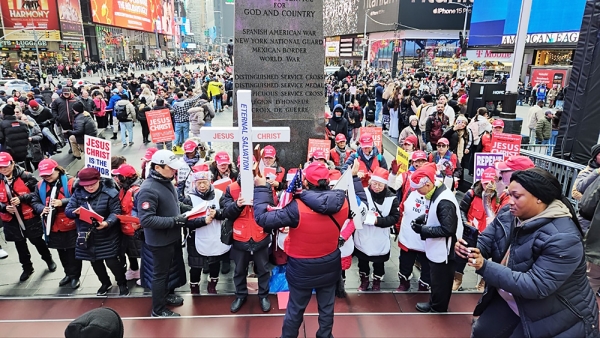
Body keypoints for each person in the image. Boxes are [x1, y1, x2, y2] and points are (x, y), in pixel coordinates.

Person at [457, 167, 599, 337]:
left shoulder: (564, 237)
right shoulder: (508, 214)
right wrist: (470, 248)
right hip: (513, 300)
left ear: (539, 198)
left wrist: (484, 265)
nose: (510, 201)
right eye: (509, 195)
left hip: (555, 314)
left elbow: (536, 286)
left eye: (516, 196)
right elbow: (487, 241)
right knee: (482, 332)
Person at [253, 161, 357, 338]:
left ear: (306, 182)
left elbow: (262, 218)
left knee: (295, 309)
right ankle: (325, 335)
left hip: (301, 268)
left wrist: (262, 188)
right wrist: (353, 176)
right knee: (326, 308)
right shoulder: (344, 203)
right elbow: (356, 207)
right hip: (330, 264)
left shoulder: (296, 208)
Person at [136, 150, 192, 317]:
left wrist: (192, 210)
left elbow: (175, 203)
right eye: (171, 168)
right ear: (158, 167)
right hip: (160, 242)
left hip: (172, 237)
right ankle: (158, 310)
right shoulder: (148, 189)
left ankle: (166, 296)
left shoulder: (166, 181)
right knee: (160, 275)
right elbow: (146, 220)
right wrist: (175, 221)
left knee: (168, 271)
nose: (174, 171)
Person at [65, 168, 129, 296]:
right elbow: (68, 209)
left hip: (107, 234)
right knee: (94, 262)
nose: (89, 187)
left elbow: (115, 212)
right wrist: (74, 212)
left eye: (92, 184)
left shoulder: (110, 193)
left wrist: (107, 223)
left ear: (99, 180)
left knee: (112, 261)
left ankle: (122, 283)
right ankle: (105, 283)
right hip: (87, 234)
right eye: (86, 185)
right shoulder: (78, 192)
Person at [409, 163, 462, 313]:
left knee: (441, 281)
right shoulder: (436, 192)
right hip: (440, 247)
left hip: (445, 251)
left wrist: (423, 230)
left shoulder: (444, 200)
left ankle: (438, 308)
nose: (417, 191)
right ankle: (435, 303)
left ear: (428, 183)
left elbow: (448, 228)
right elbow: (435, 214)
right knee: (437, 280)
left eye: (419, 188)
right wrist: (423, 219)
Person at [221, 156, 272, 313]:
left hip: (259, 235)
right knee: (239, 270)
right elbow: (226, 212)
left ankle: (263, 295)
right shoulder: (231, 189)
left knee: (263, 269)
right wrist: (237, 205)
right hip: (240, 237)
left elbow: (272, 207)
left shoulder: (265, 186)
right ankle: (240, 295)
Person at [0, 152, 56, 281]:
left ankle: (48, 259)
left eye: (5, 166)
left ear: (12, 163)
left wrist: (22, 198)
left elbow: (38, 194)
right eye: (0, 167)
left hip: (29, 216)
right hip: (11, 219)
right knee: (20, 245)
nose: (3, 169)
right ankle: (27, 268)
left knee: (37, 240)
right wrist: (4, 207)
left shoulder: (26, 176)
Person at [30, 159, 80, 289]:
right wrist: (42, 208)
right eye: (44, 175)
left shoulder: (71, 182)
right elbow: (34, 201)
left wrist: (62, 202)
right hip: (52, 226)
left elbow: (80, 199)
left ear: (57, 170)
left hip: (70, 225)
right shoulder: (40, 185)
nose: (47, 177)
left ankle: (75, 276)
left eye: (49, 174)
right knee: (61, 251)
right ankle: (67, 274)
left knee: (72, 252)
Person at [182, 163, 230, 295]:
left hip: (215, 236)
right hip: (196, 239)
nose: (202, 186)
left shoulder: (220, 195)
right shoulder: (189, 199)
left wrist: (218, 214)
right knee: (195, 267)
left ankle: (212, 286)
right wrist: (203, 221)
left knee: (215, 264)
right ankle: (194, 290)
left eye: (204, 182)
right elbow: (186, 222)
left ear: (210, 182)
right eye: (199, 183)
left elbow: (227, 211)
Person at [453, 167, 499, 292]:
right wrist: (465, 222)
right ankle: (457, 280)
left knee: (487, 259)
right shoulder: (471, 193)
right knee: (462, 256)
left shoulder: (499, 197)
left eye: (491, 183)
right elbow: (462, 209)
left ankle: (482, 284)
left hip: (489, 234)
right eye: (485, 183)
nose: (488, 186)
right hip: (471, 232)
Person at [391, 150, 432, 291]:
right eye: (417, 161)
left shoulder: (434, 178)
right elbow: (392, 186)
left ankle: (424, 284)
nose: (419, 164)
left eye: (422, 161)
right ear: (412, 162)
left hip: (427, 227)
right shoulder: (405, 176)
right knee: (405, 259)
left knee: (427, 259)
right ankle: (404, 282)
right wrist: (392, 174)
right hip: (408, 223)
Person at [354, 167, 400, 291]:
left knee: (379, 262)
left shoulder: (392, 199)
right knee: (362, 261)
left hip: (380, 236)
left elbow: (394, 218)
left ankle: (377, 280)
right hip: (363, 234)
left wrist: (377, 221)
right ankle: (364, 280)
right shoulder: (363, 193)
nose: (377, 187)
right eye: (375, 183)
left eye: (380, 184)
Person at [112, 164, 143, 282]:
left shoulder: (136, 191)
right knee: (130, 251)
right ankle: (134, 270)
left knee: (142, 253)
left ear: (124, 178)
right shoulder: (124, 188)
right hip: (126, 227)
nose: (116, 179)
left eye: (118, 176)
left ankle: (144, 274)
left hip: (135, 228)